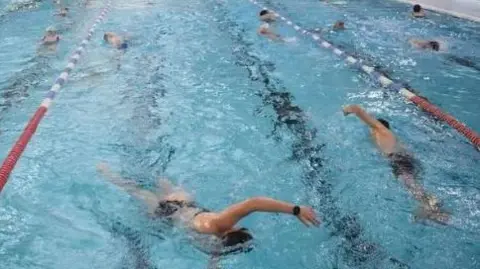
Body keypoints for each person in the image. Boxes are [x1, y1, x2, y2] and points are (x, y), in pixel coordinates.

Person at [96, 162, 320, 261]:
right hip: (170, 217)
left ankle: (104, 170)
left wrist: (296, 209)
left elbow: (254, 203)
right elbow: (217, 254)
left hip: (178, 207)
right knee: (136, 189)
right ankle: (107, 173)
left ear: (235, 229)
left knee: (140, 185)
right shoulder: (214, 239)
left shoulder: (219, 225)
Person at [342, 105, 449, 225]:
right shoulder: (391, 138)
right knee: (412, 186)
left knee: (412, 186)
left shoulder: (381, 130)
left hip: (399, 161)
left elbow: (356, 109)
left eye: (371, 129)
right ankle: (428, 205)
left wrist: (346, 110)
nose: (370, 133)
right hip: (404, 160)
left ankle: (432, 203)